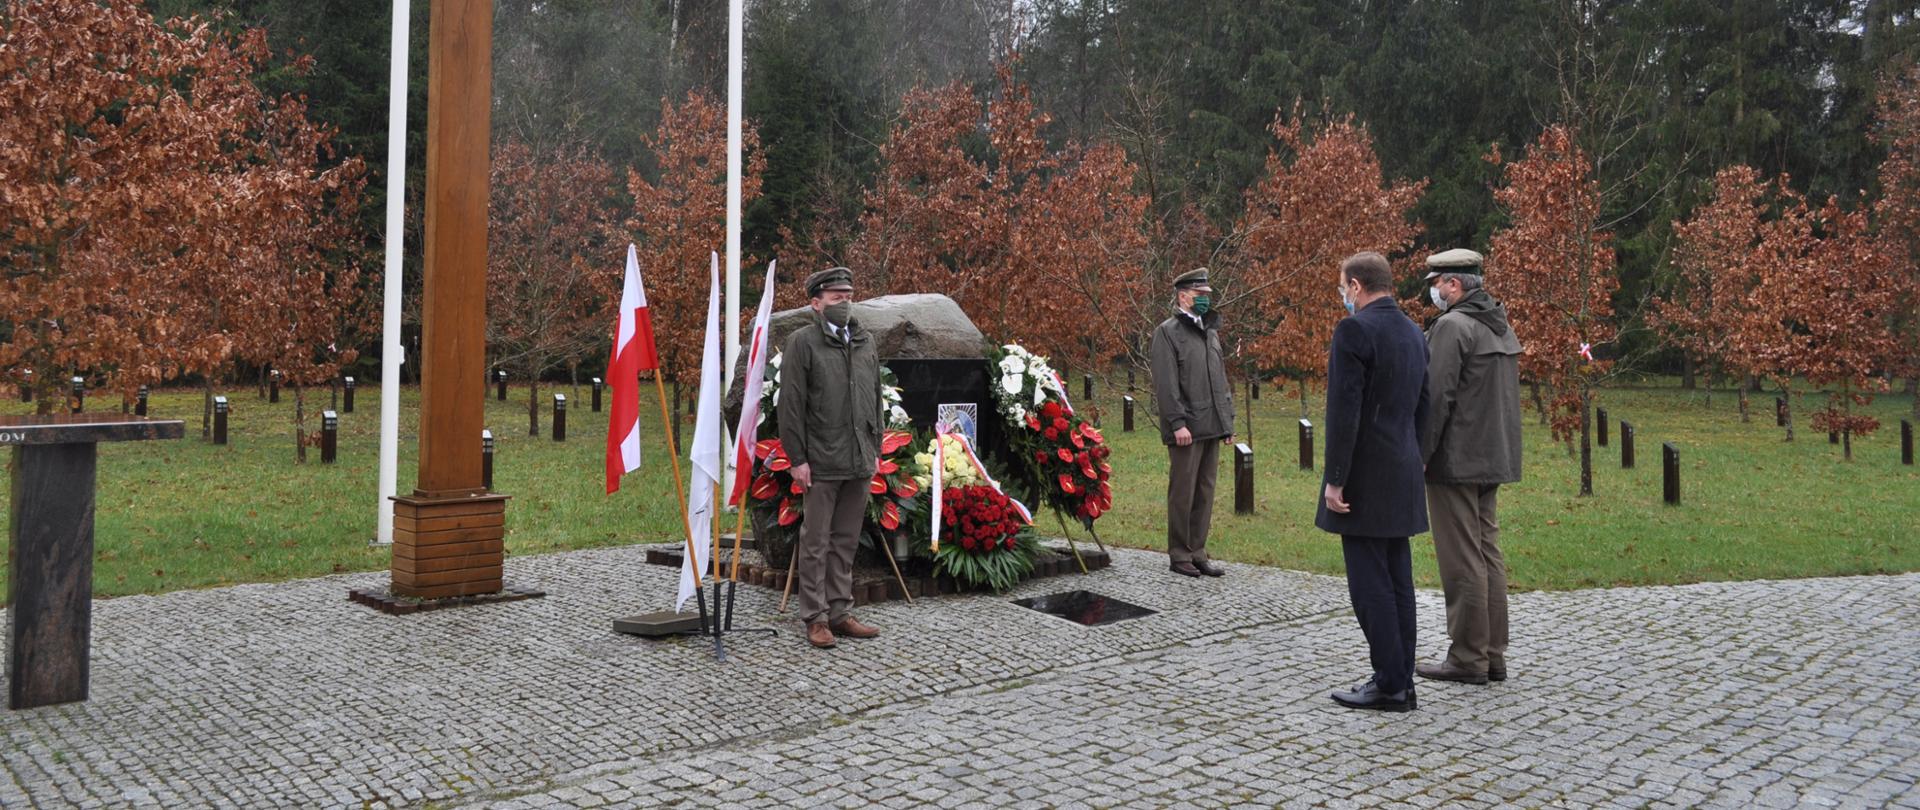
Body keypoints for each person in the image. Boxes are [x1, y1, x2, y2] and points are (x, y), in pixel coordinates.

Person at [1318, 252, 1430, 712]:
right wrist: (1416, 455)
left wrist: (1336, 479)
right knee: (1398, 579)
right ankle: (1401, 677)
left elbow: (1345, 412)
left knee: (1370, 586)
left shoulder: (1354, 330)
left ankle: (1389, 682)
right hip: (1402, 468)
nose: (1343, 296)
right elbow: (1426, 403)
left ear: (1358, 287)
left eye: (1344, 287)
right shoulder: (1414, 332)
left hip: (1364, 475)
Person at [1416, 248, 1523, 685]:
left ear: (1454, 285)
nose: (1434, 291)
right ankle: (1493, 654)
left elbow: (1435, 398)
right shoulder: (1498, 324)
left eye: (1437, 282)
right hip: (1492, 456)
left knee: (1462, 559)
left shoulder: (1453, 326)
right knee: (1488, 554)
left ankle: (1467, 657)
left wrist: (1419, 454)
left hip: (1456, 459)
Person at [778, 266, 884, 649]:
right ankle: (815, 618)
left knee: (846, 541)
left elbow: (875, 397)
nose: (844, 302)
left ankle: (840, 612)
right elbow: (791, 406)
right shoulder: (802, 343)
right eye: (836, 297)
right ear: (816, 303)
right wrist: (797, 458)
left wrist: (876, 447)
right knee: (816, 542)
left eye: (848, 296)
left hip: (858, 458)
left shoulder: (865, 340)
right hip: (820, 460)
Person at [1149, 267, 1235, 578]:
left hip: (1211, 425)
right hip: (1186, 428)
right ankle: (1179, 553)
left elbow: (1220, 380)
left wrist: (1227, 422)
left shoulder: (1211, 332)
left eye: (1207, 296)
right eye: (1200, 295)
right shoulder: (1167, 333)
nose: (1205, 300)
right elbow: (1166, 384)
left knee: (1205, 491)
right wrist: (1176, 423)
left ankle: (1198, 551)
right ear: (1183, 297)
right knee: (1183, 492)